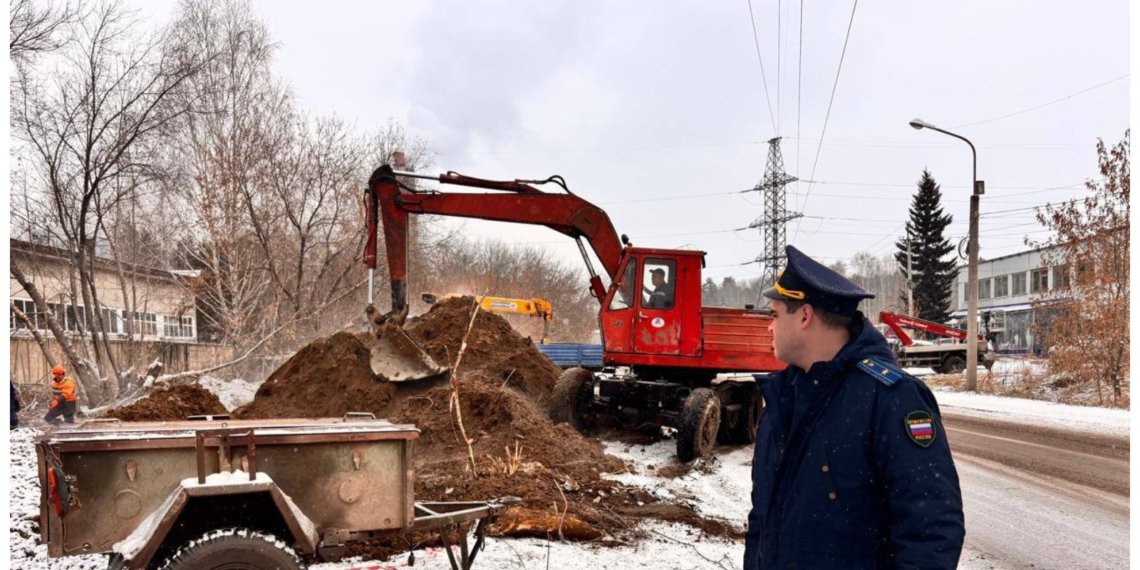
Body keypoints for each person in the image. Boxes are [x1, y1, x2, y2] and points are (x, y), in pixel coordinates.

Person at [744, 245, 964, 569]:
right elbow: (763, 519)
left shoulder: (891, 398)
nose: (769, 326)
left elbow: (930, 530)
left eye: (775, 315)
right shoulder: (784, 397)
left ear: (804, 315)